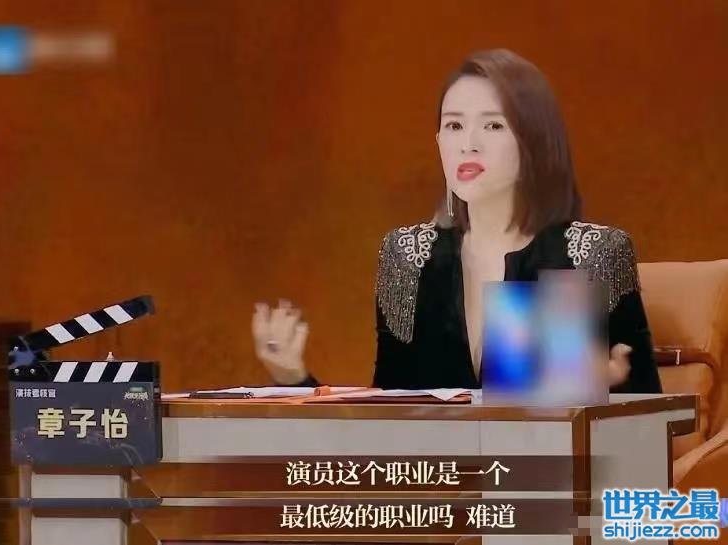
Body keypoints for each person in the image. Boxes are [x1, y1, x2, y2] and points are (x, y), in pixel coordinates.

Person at [251, 48, 662, 394]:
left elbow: (649, 427)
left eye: (493, 125)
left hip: (553, 466)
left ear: (534, 141)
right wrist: (294, 380)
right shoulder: (408, 256)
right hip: (439, 468)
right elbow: (388, 416)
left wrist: (596, 390)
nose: (468, 144)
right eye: (454, 125)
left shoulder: (588, 254)